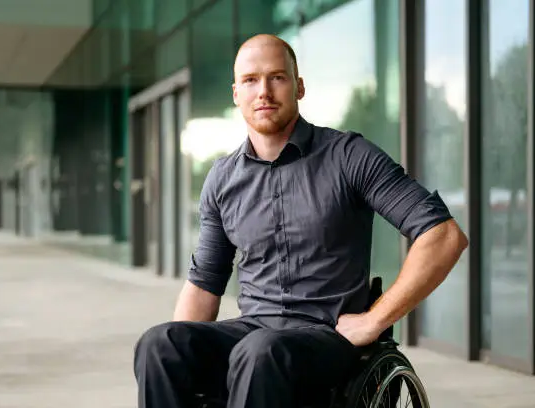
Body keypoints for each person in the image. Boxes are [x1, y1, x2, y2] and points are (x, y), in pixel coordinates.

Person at [133, 34, 468, 408]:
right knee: (160, 345)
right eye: (250, 80)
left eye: (277, 77)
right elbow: (205, 281)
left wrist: (374, 320)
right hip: (254, 332)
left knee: (260, 352)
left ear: (299, 86)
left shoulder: (348, 156)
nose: (263, 91)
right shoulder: (222, 179)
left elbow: (443, 236)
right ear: (236, 94)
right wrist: (186, 350)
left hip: (329, 337)